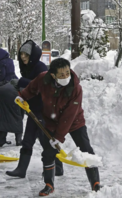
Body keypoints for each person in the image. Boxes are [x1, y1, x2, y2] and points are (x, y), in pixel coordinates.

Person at [15, 58, 100, 196]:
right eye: (61, 74)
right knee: (48, 152)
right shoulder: (43, 78)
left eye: (67, 72)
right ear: (53, 75)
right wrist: (23, 97)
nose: (66, 76)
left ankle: (95, 183)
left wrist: (59, 137)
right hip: (51, 121)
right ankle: (49, 184)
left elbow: (69, 114)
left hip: (74, 122)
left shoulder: (75, 87)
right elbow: (32, 88)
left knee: (86, 149)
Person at [6, 40, 64, 178]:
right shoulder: (27, 68)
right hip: (33, 110)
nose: (23, 57)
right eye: (21, 54)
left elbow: (43, 87)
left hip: (44, 111)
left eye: (26, 54)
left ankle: (58, 166)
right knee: (28, 140)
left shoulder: (40, 67)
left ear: (32, 55)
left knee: (45, 141)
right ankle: (21, 170)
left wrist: (21, 82)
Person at [0, 48, 22, 147]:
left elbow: (2, 75)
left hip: (5, 88)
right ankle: (18, 140)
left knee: (3, 115)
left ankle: (1, 140)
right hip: (15, 86)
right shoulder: (9, 60)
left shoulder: (1, 63)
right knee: (17, 114)